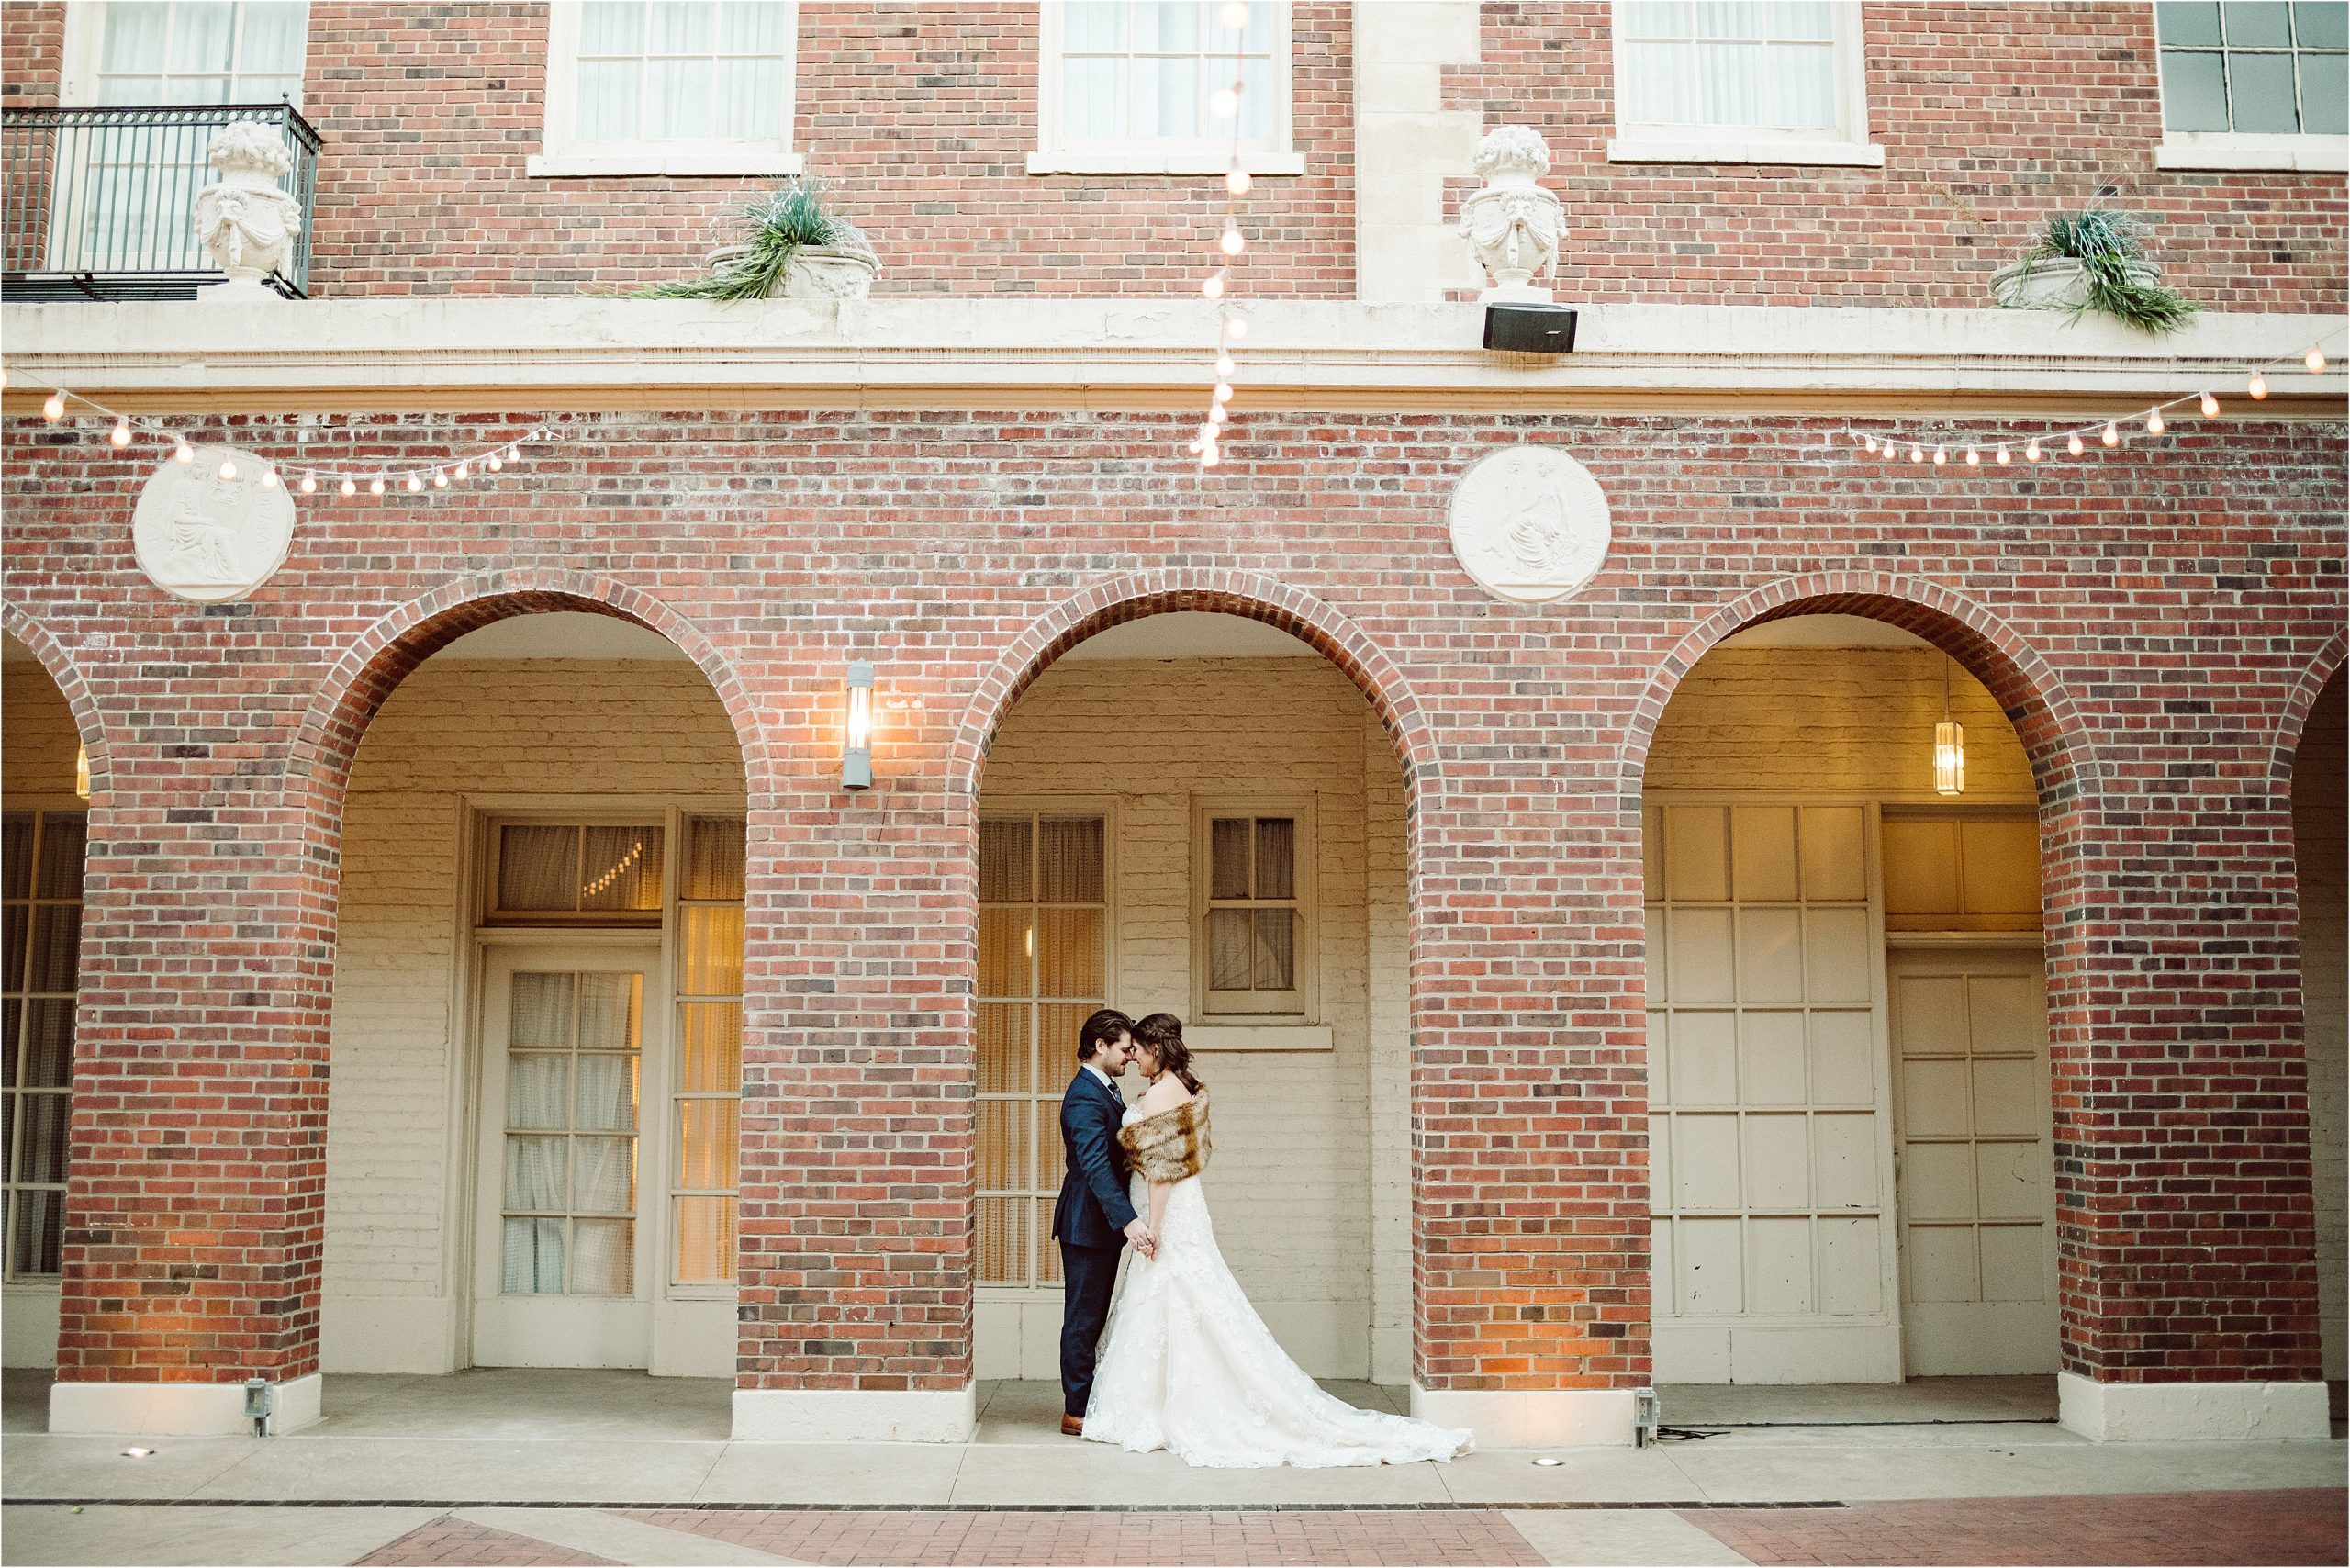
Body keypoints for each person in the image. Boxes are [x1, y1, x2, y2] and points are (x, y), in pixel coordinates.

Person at [1081, 1012, 1474, 1468]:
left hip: (1167, 1210)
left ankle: (1162, 1409)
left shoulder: (1159, 1095)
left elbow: (1163, 1171)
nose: (1134, 1058)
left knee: (1175, 1297)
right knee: (1190, 1301)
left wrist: (1155, 1226)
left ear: (1155, 1050)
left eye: (1139, 1050)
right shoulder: (1181, 1088)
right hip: (1187, 1207)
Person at [1049, 1007, 1155, 1437]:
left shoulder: (1106, 1090)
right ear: (1100, 1046)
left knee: (1093, 1315)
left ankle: (1089, 1400)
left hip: (1100, 1225)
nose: (1131, 1056)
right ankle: (1076, 1411)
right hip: (1086, 1223)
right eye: (1125, 1049)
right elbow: (1094, 1165)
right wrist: (1129, 1221)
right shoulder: (1083, 1096)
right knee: (1083, 1318)